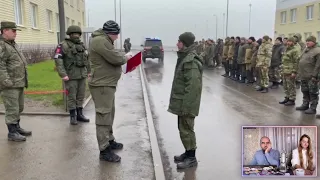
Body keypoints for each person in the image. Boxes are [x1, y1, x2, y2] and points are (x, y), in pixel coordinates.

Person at [88, 20, 131, 162]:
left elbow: (113, 54)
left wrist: (123, 56)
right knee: (103, 116)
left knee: (109, 114)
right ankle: (104, 150)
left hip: (107, 84)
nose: (117, 37)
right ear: (110, 33)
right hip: (101, 85)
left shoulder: (104, 40)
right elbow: (114, 58)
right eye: (116, 35)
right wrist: (126, 58)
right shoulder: (100, 41)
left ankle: (110, 140)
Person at [169, 32, 203, 169]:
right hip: (183, 102)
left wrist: (187, 107)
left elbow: (193, 87)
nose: (177, 44)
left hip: (187, 103)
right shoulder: (185, 58)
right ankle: (187, 152)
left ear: (185, 44)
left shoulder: (191, 61)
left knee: (187, 129)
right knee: (183, 129)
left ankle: (192, 158)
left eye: (179, 42)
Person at [0, 21, 32, 142]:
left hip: (18, 82)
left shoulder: (12, 44)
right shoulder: (2, 45)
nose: (15, 33)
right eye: (13, 31)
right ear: (4, 31)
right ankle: (12, 133)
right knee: (12, 109)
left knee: (19, 107)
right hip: (9, 85)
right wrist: (6, 81)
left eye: (16, 31)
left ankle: (17, 128)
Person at [54, 25, 90, 125]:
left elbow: (87, 59)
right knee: (72, 96)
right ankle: (72, 116)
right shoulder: (63, 45)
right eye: (74, 34)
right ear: (69, 34)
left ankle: (80, 114)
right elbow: (58, 60)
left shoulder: (82, 45)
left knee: (81, 96)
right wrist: (63, 74)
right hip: (71, 76)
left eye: (78, 34)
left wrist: (89, 72)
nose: (76, 36)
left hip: (82, 75)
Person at [296, 36, 320, 114]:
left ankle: (313, 108)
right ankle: (305, 104)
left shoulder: (317, 51)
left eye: (309, 41)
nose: (307, 42)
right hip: (303, 75)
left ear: (314, 42)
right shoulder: (306, 50)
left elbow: (318, 65)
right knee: (304, 91)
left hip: (312, 76)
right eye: (306, 41)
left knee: (313, 92)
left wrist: (314, 75)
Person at [279, 37, 301, 106]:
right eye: (288, 41)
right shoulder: (287, 49)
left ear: (293, 42)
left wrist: (294, 72)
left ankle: (292, 99)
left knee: (291, 85)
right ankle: (287, 97)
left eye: (290, 41)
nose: (288, 43)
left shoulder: (295, 50)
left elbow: (296, 62)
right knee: (285, 85)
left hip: (290, 71)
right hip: (285, 70)